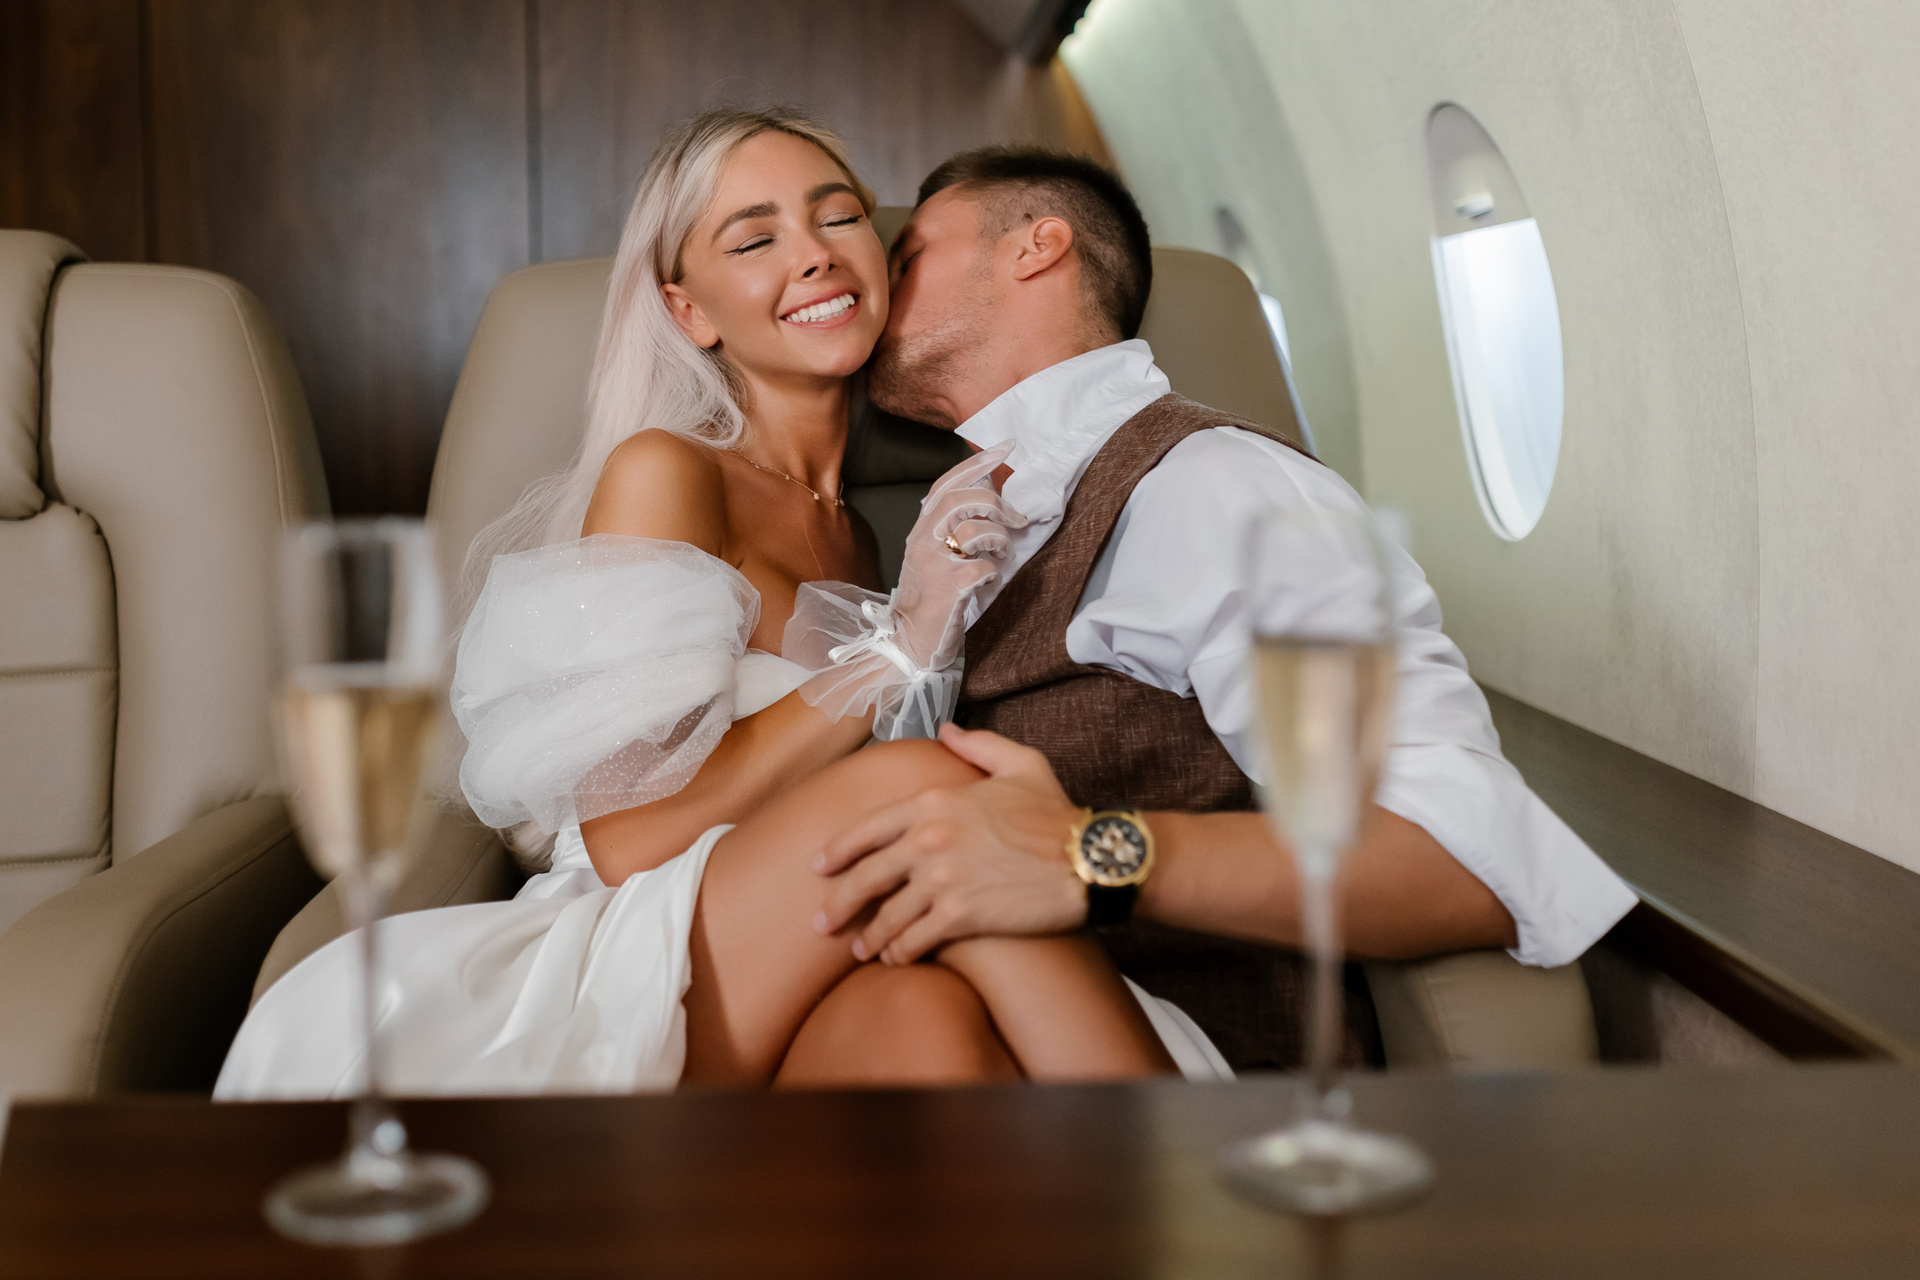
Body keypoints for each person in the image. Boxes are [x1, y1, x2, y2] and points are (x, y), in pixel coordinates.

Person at [218, 110, 1226, 1101]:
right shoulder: (667, 473)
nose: (815, 253)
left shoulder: (870, 536)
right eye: (753, 239)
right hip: (654, 941)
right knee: (930, 786)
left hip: (824, 941)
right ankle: (1179, 1159)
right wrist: (895, 649)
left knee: (926, 1021)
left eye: (838, 218)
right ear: (690, 311)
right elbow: (629, 839)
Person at [793, 147, 1640, 1071]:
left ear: (1038, 247)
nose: (875, 284)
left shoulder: (1223, 491)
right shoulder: (959, 524)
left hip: (1188, 1068)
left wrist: (1089, 853)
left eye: (909, 255)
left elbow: (1461, 857)